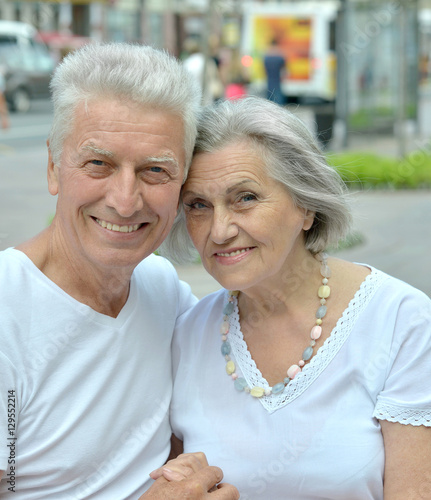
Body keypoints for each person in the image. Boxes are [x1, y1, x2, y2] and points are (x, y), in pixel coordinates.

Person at [156, 97, 431, 499]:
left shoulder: (400, 321)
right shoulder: (188, 333)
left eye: (245, 198)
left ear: (305, 205)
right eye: (198, 205)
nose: (219, 230)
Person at [0, 42, 239, 500]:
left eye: (154, 170)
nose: (125, 200)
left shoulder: (164, 290)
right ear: (53, 166)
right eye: (98, 163)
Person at [263, 39, 286, 106]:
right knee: (278, 98)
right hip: (277, 80)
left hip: (269, 80)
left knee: (270, 97)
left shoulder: (267, 57)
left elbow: (265, 70)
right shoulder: (279, 57)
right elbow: (283, 70)